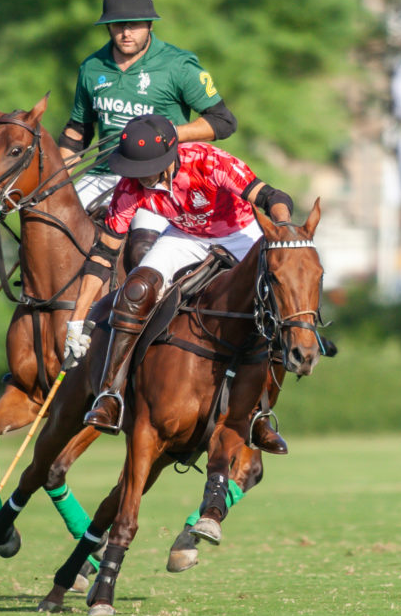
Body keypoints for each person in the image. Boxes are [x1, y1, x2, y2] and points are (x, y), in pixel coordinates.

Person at [62, 113, 291, 454]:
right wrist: (78, 320)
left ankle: (260, 412)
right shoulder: (129, 187)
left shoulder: (209, 161)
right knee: (137, 288)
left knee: (270, 303)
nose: (139, 177)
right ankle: (110, 394)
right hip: (184, 236)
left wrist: (283, 231)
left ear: (170, 157)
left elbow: (273, 197)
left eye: (147, 168)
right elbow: (102, 256)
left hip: (239, 233)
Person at [57, 0, 240, 264]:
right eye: (118, 25)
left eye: (134, 25)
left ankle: (143, 308)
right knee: (49, 229)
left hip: (156, 178)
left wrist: (166, 134)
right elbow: (78, 130)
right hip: (103, 172)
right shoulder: (92, 67)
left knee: (142, 251)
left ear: (150, 25)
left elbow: (223, 121)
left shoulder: (178, 66)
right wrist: (57, 179)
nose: (126, 33)